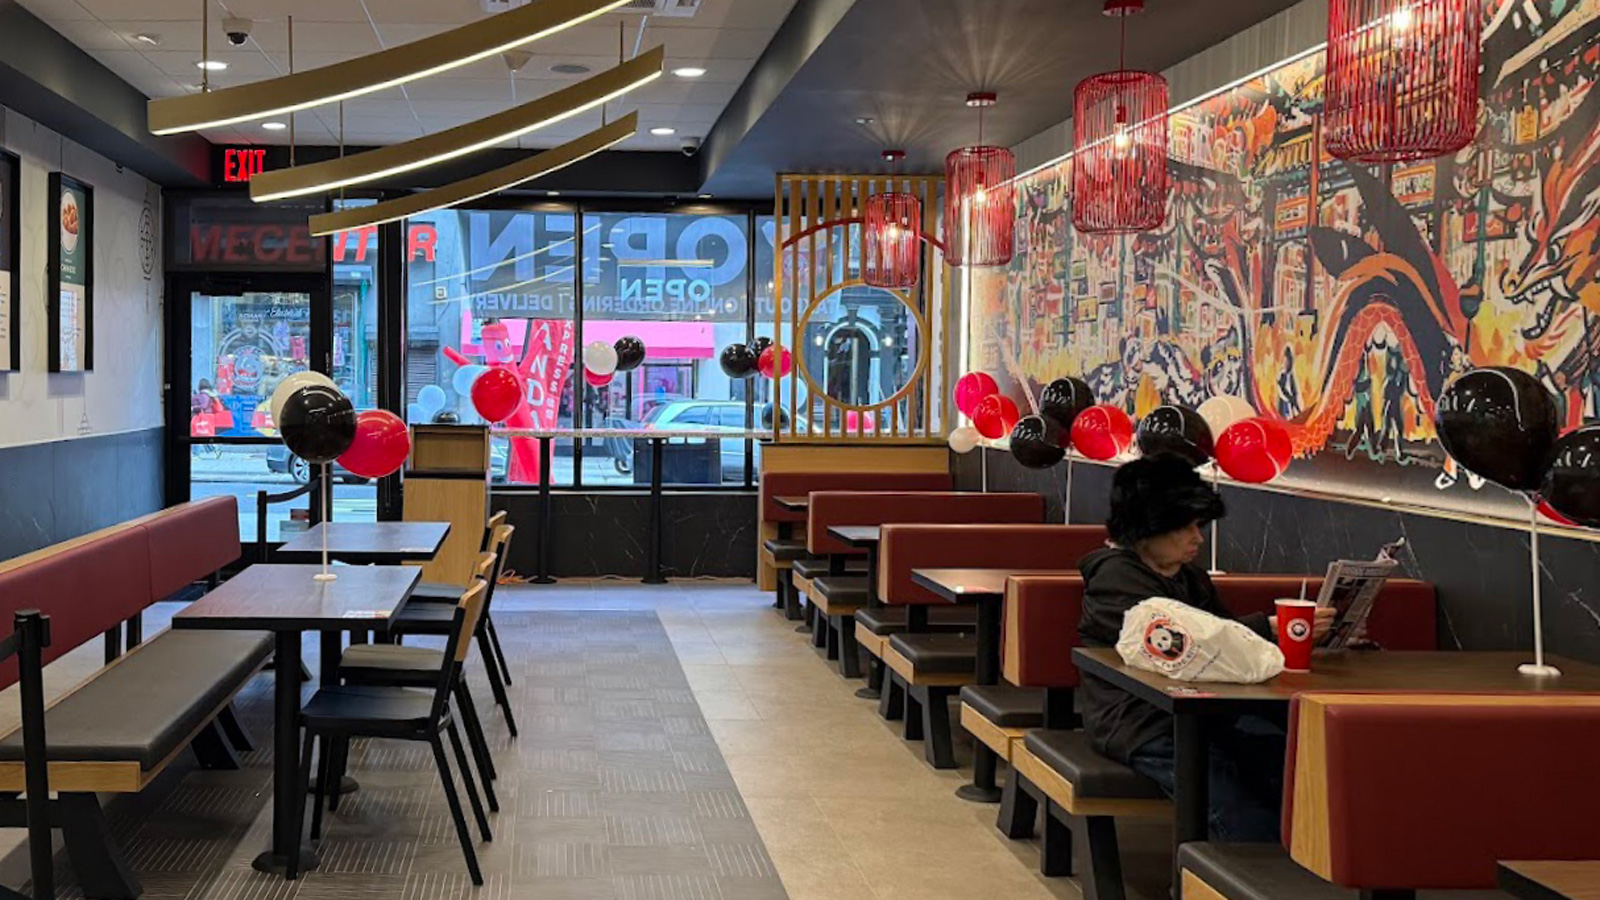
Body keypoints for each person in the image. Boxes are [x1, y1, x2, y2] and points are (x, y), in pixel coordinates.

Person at [1077, 455, 1332, 842]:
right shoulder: (1116, 577)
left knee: (1293, 764)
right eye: (1186, 527)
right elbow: (1182, 647)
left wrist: (1304, 637)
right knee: (1236, 806)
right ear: (1148, 528)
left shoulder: (1189, 577)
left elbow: (1228, 641)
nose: (1198, 538)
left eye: (1200, 526)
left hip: (1209, 714)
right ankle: (1236, 871)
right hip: (1142, 723)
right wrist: (1269, 627)